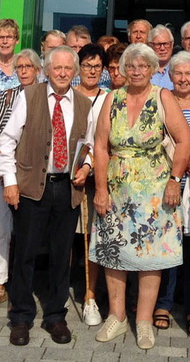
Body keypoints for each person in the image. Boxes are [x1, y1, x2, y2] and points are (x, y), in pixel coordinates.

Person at [90, 43, 190, 350]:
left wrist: (175, 179)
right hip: (116, 189)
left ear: (152, 69)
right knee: (113, 252)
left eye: (142, 66)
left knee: (150, 256)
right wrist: (99, 189)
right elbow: (100, 145)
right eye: (130, 66)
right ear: (123, 69)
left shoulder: (163, 97)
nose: (136, 71)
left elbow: (185, 139)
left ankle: (144, 320)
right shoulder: (113, 98)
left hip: (155, 193)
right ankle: (117, 315)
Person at [0, 46, 93, 346]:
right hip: (31, 187)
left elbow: (88, 144)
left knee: (60, 255)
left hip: (67, 188)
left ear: (74, 72)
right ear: (47, 70)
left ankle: (55, 315)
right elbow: (7, 140)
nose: (63, 74)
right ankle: (22, 316)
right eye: (57, 68)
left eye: (68, 69)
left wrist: (87, 167)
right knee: (25, 253)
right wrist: (10, 183)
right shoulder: (29, 97)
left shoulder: (83, 103)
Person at [154, 50, 190, 336]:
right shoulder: (161, 101)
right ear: (170, 76)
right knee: (166, 245)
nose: (184, 78)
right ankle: (163, 302)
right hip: (166, 180)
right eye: (178, 73)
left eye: (189, 73)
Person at [0, 50, 41, 315]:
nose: (24, 70)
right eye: (19, 66)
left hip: (36, 174)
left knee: (30, 233)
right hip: (6, 168)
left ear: (38, 69)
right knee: (1, 228)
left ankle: (25, 285)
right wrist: (8, 167)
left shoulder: (45, 97)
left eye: (29, 66)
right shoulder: (6, 96)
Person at [73, 44, 110, 325]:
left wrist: (88, 166)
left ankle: (90, 296)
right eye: (87, 66)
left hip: (95, 176)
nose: (92, 71)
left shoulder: (107, 99)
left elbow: (104, 142)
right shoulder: (68, 95)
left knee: (91, 239)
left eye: (97, 66)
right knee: (66, 237)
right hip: (66, 176)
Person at [147, 25, 176, 90]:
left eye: (166, 44)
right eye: (158, 44)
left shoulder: (179, 69)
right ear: (150, 46)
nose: (162, 48)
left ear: (172, 44)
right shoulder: (144, 70)